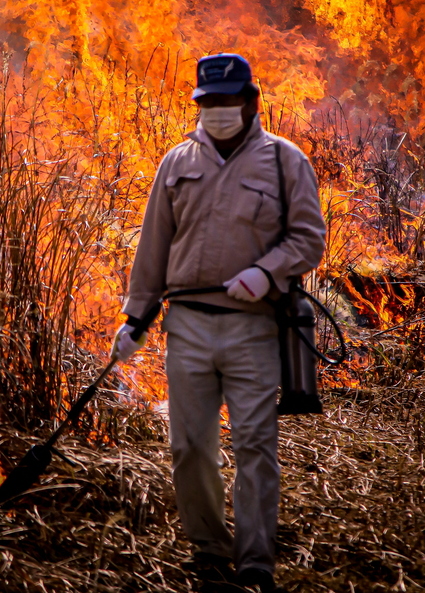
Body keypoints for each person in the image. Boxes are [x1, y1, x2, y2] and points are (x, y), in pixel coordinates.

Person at [112, 53, 326, 592]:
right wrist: (136, 317)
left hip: (254, 327)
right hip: (185, 327)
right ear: (199, 106)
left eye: (228, 101)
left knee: (255, 443)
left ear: (251, 102)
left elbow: (308, 238)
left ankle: (256, 559)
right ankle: (209, 550)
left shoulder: (284, 161)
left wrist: (266, 271)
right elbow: (154, 246)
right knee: (189, 445)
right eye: (209, 103)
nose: (218, 111)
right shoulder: (176, 162)